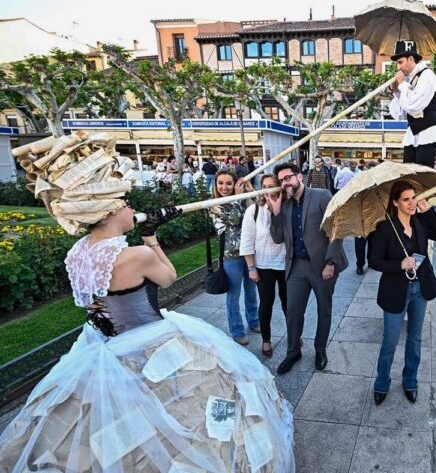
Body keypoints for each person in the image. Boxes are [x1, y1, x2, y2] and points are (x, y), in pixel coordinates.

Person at [0, 173, 294, 469]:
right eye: (126, 204)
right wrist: (151, 238)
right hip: (149, 342)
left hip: (100, 343)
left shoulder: (77, 252)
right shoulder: (136, 255)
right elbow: (168, 277)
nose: (131, 209)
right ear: (111, 212)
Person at [368, 181, 436, 405]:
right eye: (406, 199)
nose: (412, 202)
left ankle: (410, 380)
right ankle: (382, 382)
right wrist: (399, 264)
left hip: (420, 288)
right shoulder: (384, 228)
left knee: (415, 338)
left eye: (414, 197)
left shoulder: (421, 221)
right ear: (395, 202)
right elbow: (374, 261)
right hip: (395, 290)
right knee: (390, 341)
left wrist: (428, 211)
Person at [267, 162, 348, 374]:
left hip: (323, 265)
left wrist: (330, 262)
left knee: (324, 310)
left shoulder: (321, 196)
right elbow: (277, 238)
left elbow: (337, 230)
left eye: (288, 178)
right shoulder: (283, 205)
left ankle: (320, 349)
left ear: (299, 177)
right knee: (293, 312)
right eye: (281, 181)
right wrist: (275, 213)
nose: (285, 183)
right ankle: (293, 351)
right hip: (296, 267)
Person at [210, 168, 258, 346]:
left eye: (229, 183)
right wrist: (238, 197)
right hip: (230, 256)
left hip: (249, 253)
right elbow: (235, 219)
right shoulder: (214, 203)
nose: (224, 187)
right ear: (215, 184)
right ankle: (237, 330)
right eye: (220, 183)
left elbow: (255, 213)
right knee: (234, 294)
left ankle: (254, 321)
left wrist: (249, 192)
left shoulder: (241, 198)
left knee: (252, 290)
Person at [241, 174, 287, 358]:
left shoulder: (287, 207)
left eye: (272, 186)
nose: (269, 190)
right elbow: (246, 241)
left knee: (289, 304)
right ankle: (266, 339)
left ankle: (294, 334)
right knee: (266, 303)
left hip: (286, 265)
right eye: (265, 186)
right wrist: (251, 268)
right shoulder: (254, 210)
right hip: (264, 265)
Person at [388, 40, 436, 167]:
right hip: (413, 133)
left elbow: (414, 106)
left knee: (422, 177)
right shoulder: (409, 80)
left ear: (411, 59)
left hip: (427, 132)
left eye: (400, 62)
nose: (398, 67)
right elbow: (399, 114)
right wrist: (396, 91)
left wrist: (402, 85)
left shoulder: (427, 75)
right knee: (408, 175)